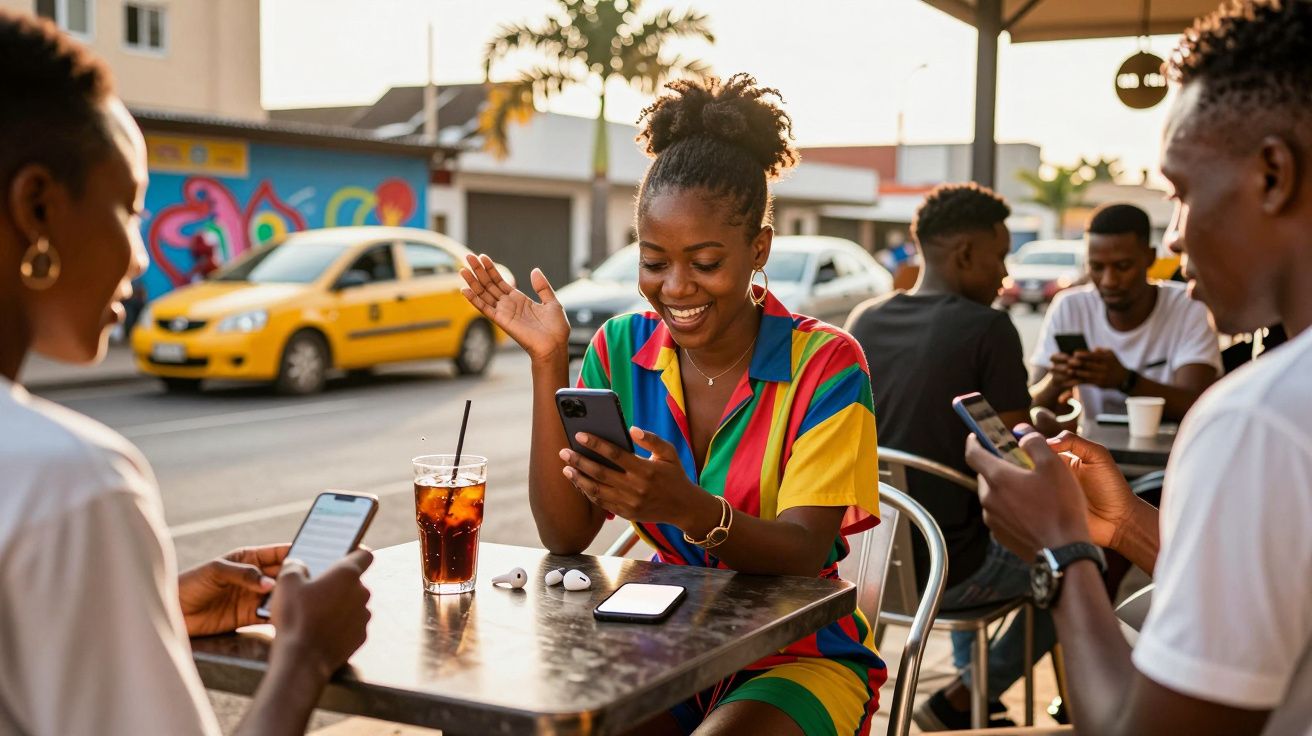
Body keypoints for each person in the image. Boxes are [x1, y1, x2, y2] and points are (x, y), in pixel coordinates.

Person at [461, 74, 885, 736]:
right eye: (655, 262)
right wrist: (549, 361)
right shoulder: (619, 347)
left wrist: (688, 509)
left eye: (705, 262)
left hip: (797, 652)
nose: (676, 287)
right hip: (667, 641)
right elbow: (566, 536)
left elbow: (804, 552)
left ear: (759, 250)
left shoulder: (827, 364)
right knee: (515, 722)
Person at [0, 12, 372, 735]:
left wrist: (152, 608)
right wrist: (305, 653)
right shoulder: (71, 484)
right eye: (130, 209)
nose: (141, 257)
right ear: (37, 206)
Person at [965, 2, 1312, 734]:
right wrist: (1124, 526)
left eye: (1181, 193)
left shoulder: (1261, 418)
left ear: (1273, 174)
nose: (1176, 239)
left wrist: (1064, 554)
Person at [846, 183, 1054, 729]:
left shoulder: (864, 320)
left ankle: (972, 698)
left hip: (867, 566)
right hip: (953, 571)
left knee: (969, 520)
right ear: (964, 253)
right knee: (1079, 563)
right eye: (1000, 256)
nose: (1005, 274)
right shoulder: (990, 328)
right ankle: (964, 696)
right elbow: (1017, 460)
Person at [1030, 202, 1220, 421]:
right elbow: (1030, 406)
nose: (1109, 281)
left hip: (1170, 443)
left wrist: (1125, 380)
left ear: (1150, 257)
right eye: (1097, 267)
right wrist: (1055, 382)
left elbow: (1198, 407)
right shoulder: (1070, 307)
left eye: (1122, 266)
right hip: (1090, 442)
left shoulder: (1189, 305)